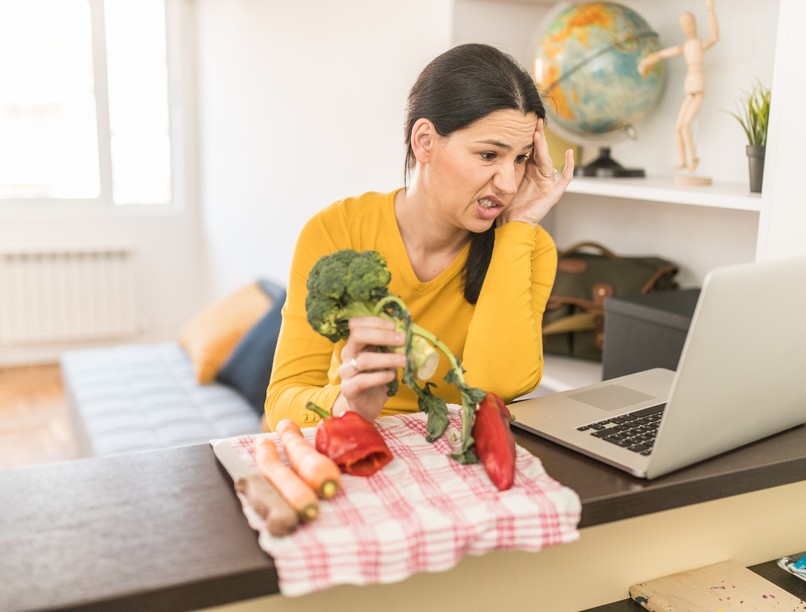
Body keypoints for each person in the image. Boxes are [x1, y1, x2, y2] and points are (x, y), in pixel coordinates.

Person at [264, 43, 574, 430]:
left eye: (521, 158)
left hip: (458, 451)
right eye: (488, 155)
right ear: (425, 141)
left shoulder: (529, 248)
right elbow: (282, 401)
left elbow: (495, 389)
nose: (509, 184)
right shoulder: (337, 230)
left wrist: (518, 226)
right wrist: (347, 404)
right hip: (353, 434)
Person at [637, 0, 719, 177]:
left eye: (689, 24)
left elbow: (714, 37)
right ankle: (683, 161)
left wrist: (711, 11)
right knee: (678, 128)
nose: (688, 28)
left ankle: (693, 158)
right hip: (689, 86)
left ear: (694, 25)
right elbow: (663, 53)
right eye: (685, 26)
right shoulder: (685, 46)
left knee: (686, 126)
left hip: (698, 86)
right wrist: (647, 60)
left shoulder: (699, 44)